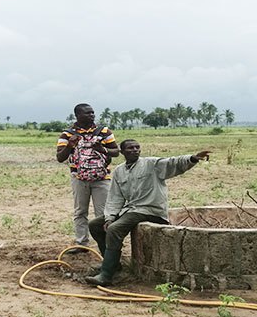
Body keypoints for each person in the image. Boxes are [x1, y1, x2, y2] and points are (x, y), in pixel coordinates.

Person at [85, 139, 211, 286]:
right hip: (131, 209)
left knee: (114, 229)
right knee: (95, 225)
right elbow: (115, 197)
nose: (135, 150)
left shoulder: (151, 164)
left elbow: (172, 163)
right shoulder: (120, 171)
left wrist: (192, 158)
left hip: (150, 209)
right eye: (131, 148)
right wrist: (110, 217)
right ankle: (114, 265)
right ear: (122, 152)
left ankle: (106, 275)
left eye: (137, 147)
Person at [56, 104, 120, 246]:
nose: (92, 115)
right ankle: (82, 243)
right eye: (87, 113)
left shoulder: (104, 131)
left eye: (92, 113)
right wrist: (69, 146)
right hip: (79, 179)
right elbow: (60, 158)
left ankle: (105, 245)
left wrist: (102, 149)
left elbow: (116, 151)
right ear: (77, 115)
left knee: (103, 214)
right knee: (80, 212)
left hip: (102, 178)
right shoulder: (67, 135)